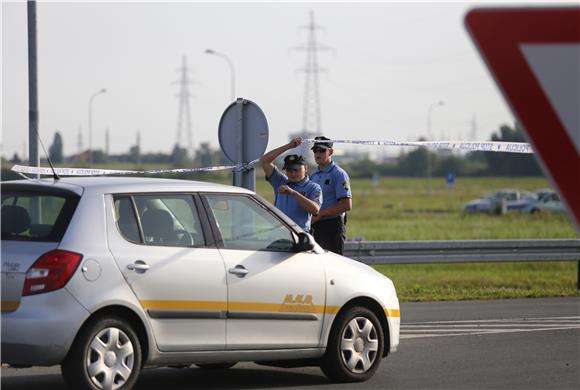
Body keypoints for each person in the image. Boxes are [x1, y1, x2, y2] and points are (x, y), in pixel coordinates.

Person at [260, 138, 322, 232]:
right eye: (289, 170)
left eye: (296, 170)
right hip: (278, 234)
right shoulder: (280, 181)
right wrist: (289, 146)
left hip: (299, 235)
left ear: (305, 168)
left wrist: (293, 193)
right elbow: (265, 160)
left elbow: (315, 210)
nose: (293, 173)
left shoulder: (313, 187)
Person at [310, 136, 352, 255]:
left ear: (331, 152)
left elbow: (346, 205)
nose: (318, 153)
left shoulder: (338, 174)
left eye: (322, 150)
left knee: (333, 265)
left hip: (332, 226)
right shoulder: (313, 175)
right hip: (315, 226)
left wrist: (320, 214)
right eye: (315, 150)